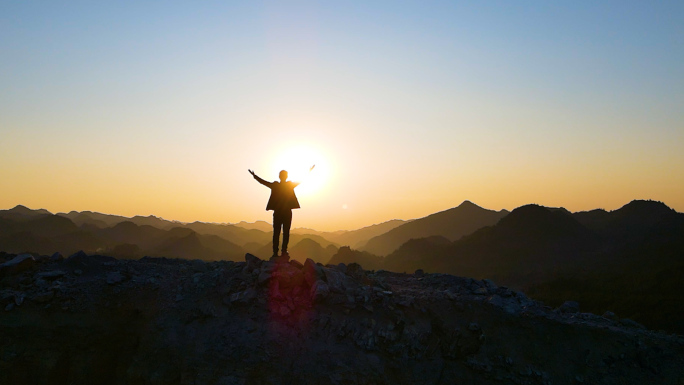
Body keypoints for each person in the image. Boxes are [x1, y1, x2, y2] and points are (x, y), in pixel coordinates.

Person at [248, 166, 314, 259]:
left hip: (278, 212)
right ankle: (284, 251)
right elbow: (301, 180)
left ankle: (275, 252)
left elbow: (263, 182)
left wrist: (254, 176)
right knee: (285, 232)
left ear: (279, 176)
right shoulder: (289, 185)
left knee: (276, 232)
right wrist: (309, 171)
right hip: (287, 212)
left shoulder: (275, 185)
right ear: (286, 176)